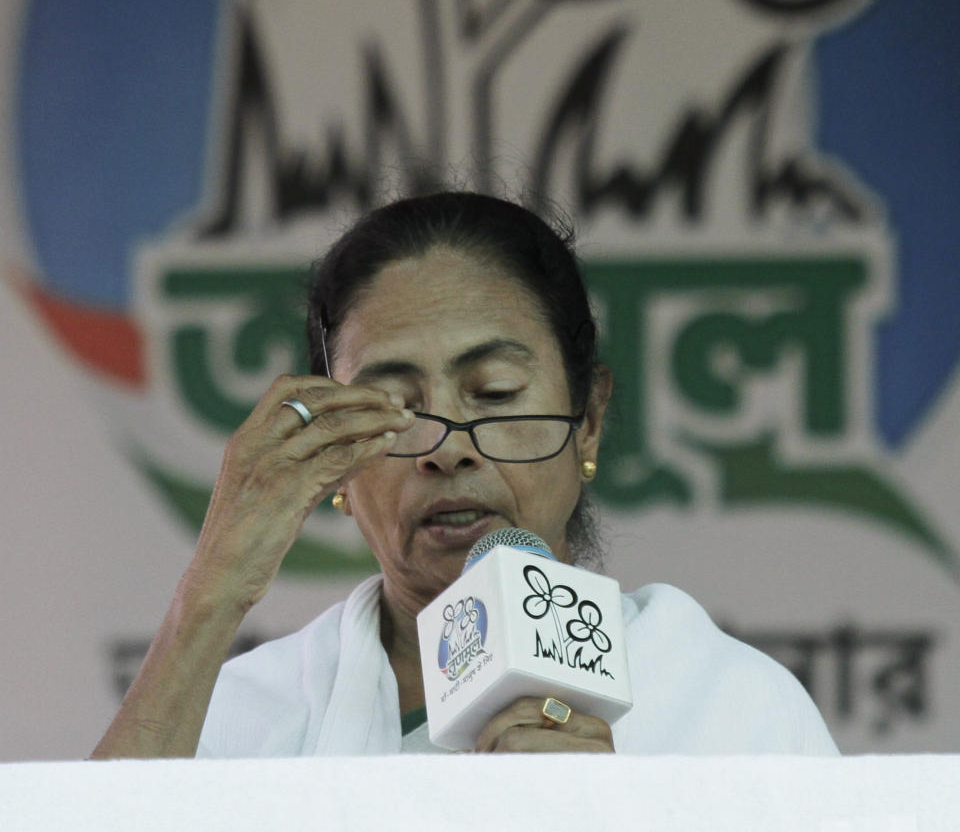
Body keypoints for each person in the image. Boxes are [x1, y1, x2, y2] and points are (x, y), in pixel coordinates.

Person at [92, 190, 837, 757]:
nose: (447, 449)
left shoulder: (730, 709)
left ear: (590, 420)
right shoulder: (242, 716)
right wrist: (209, 596)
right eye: (395, 406)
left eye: (494, 394)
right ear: (339, 471)